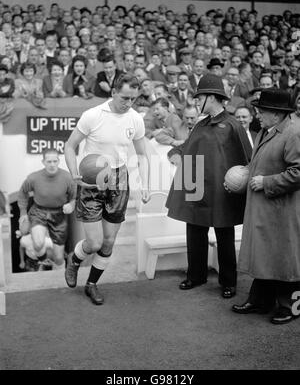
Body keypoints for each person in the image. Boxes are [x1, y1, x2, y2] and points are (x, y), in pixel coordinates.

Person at [64, 73, 150, 305]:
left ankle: (91, 284)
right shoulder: (92, 115)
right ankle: (75, 259)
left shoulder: (135, 119)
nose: (128, 103)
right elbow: (70, 146)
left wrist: (145, 183)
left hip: (119, 179)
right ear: (113, 92)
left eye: (133, 99)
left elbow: (142, 154)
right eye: (124, 98)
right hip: (92, 180)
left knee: (109, 241)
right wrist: (74, 173)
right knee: (94, 243)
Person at [166, 73, 252, 298]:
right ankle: (196, 275)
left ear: (211, 97)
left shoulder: (233, 125)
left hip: (222, 192)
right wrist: (175, 154)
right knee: (194, 231)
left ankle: (228, 282)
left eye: (199, 97)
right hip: (197, 187)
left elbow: (248, 159)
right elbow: (187, 148)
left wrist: (242, 184)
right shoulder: (201, 125)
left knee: (224, 235)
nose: (196, 102)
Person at [232, 88, 300, 325]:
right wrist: (243, 176)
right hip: (266, 206)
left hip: (282, 208)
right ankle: (261, 300)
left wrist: (266, 182)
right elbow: (260, 162)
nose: (257, 113)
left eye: (262, 110)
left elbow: (298, 172)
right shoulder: (266, 129)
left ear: (278, 113)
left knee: (285, 258)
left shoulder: (293, 132)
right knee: (266, 254)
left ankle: (290, 306)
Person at [18, 149, 77, 268]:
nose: (52, 164)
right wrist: (23, 212)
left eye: (55, 161)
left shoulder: (67, 178)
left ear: (59, 161)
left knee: (59, 258)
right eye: (49, 161)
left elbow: (75, 197)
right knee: (38, 244)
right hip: (38, 211)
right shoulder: (33, 178)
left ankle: (59, 274)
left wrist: (71, 205)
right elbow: (23, 193)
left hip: (59, 214)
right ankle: (43, 260)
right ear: (43, 162)